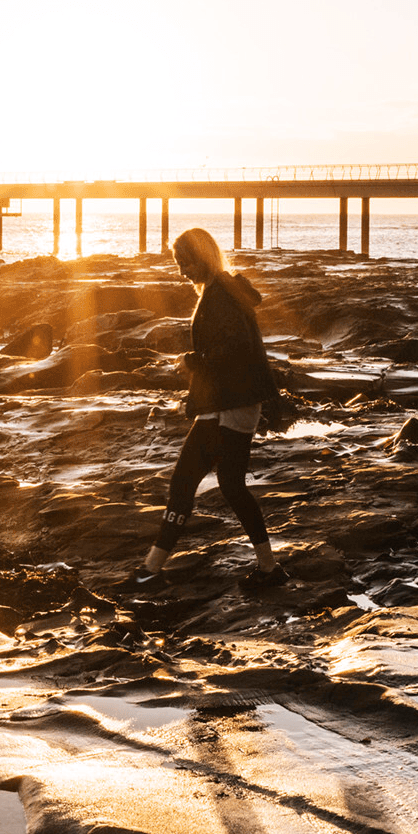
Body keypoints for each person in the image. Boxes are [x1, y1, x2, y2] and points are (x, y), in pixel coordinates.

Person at [130, 227, 286, 589]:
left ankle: (151, 571)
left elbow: (236, 349)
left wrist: (193, 361)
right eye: (177, 264)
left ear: (201, 258)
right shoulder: (223, 291)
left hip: (230, 405)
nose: (181, 271)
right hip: (231, 403)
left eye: (184, 262)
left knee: (186, 483)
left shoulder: (221, 297)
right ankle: (268, 569)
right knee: (229, 486)